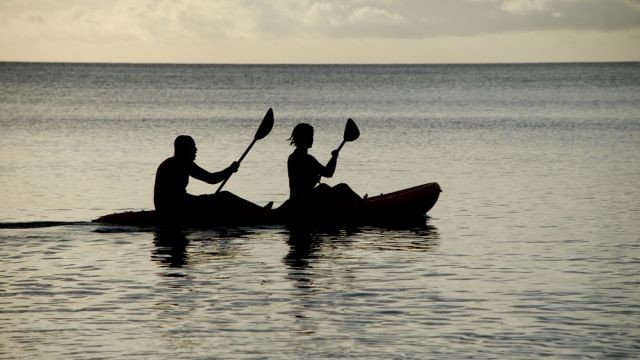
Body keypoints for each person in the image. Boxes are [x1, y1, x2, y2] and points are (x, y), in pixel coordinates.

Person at [153, 135, 265, 213]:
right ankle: (263, 213)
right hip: (174, 207)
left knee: (219, 199)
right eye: (193, 147)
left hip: (173, 205)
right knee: (225, 196)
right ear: (184, 150)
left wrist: (229, 170)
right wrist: (229, 169)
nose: (196, 149)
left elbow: (211, 179)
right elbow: (211, 179)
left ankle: (260, 211)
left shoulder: (177, 162)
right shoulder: (182, 164)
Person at [284, 123, 361, 212]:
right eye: (310, 136)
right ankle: (364, 205)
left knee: (324, 187)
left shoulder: (292, 157)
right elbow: (328, 173)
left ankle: (357, 204)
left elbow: (303, 183)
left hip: (297, 201)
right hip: (304, 203)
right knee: (343, 187)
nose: (312, 139)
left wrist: (313, 179)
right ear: (304, 138)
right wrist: (334, 158)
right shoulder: (308, 159)